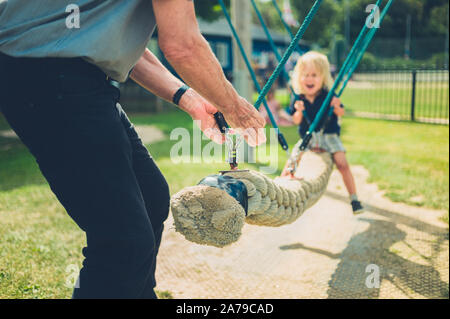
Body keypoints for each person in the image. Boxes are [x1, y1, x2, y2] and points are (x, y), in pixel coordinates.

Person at [0, 0, 266, 298]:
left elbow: (118, 42)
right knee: (123, 242)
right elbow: (183, 45)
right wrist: (236, 109)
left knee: (151, 198)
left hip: (70, 79)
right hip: (51, 78)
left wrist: (188, 99)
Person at [281, 51, 364, 214]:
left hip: (329, 135)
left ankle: (354, 199)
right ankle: (281, 188)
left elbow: (341, 114)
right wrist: (298, 111)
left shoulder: (328, 95)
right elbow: (296, 121)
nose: (309, 79)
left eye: (314, 75)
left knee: (342, 163)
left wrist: (337, 106)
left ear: (323, 77)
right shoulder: (298, 97)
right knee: (293, 159)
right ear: (299, 77)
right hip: (308, 138)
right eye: (305, 75)